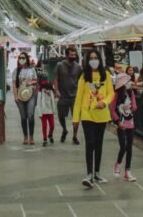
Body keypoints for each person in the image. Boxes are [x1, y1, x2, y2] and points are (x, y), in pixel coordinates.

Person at [73, 48, 114, 189]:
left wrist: (104, 102)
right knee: (90, 143)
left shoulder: (106, 75)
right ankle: (89, 174)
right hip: (87, 114)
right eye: (90, 58)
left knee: (99, 144)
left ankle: (97, 172)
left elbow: (111, 93)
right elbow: (78, 98)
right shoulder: (84, 76)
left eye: (95, 57)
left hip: (102, 115)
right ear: (87, 61)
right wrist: (75, 118)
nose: (93, 60)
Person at [110, 73, 137, 182]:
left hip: (130, 122)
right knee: (123, 146)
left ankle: (128, 171)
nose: (129, 83)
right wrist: (117, 121)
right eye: (127, 81)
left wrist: (132, 107)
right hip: (121, 122)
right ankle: (118, 163)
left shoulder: (131, 93)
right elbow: (112, 109)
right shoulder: (116, 94)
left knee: (129, 147)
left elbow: (135, 105)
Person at [54, 46, 82, 144]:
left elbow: (81, 80)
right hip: (63, 95)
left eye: (74, 55)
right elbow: (56, 79)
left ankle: (74, 136)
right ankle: (64, 129)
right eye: (71, 55)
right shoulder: (59, 65)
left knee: (76, 117)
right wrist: (56, 90)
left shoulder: (78, 67)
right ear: (66, 55)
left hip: (74, 96)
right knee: (61, 116)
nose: (73, 56)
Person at [13, 52, 38, 145]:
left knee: (30, 115)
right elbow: (14, 84)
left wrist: (30, 83)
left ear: (27, 59)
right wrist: (15, 96)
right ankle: (25, 137)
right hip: (20, 96)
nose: (21, 59)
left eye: (23, 58)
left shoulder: (32, 69)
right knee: (23, 117)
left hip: (31, 94)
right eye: (20, 58)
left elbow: (36, 80)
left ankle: (31, 137)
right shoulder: (16, 71)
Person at [38, 74, 56, 146]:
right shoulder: (40, 91)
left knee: (52, 125)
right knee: (44, 126)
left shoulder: (51, 89)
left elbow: (53, 100)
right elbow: (38, 102)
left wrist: (54, 109)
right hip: (43, 111)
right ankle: (45, 139)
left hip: (50, 110)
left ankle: (50, 135)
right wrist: (39, 112)